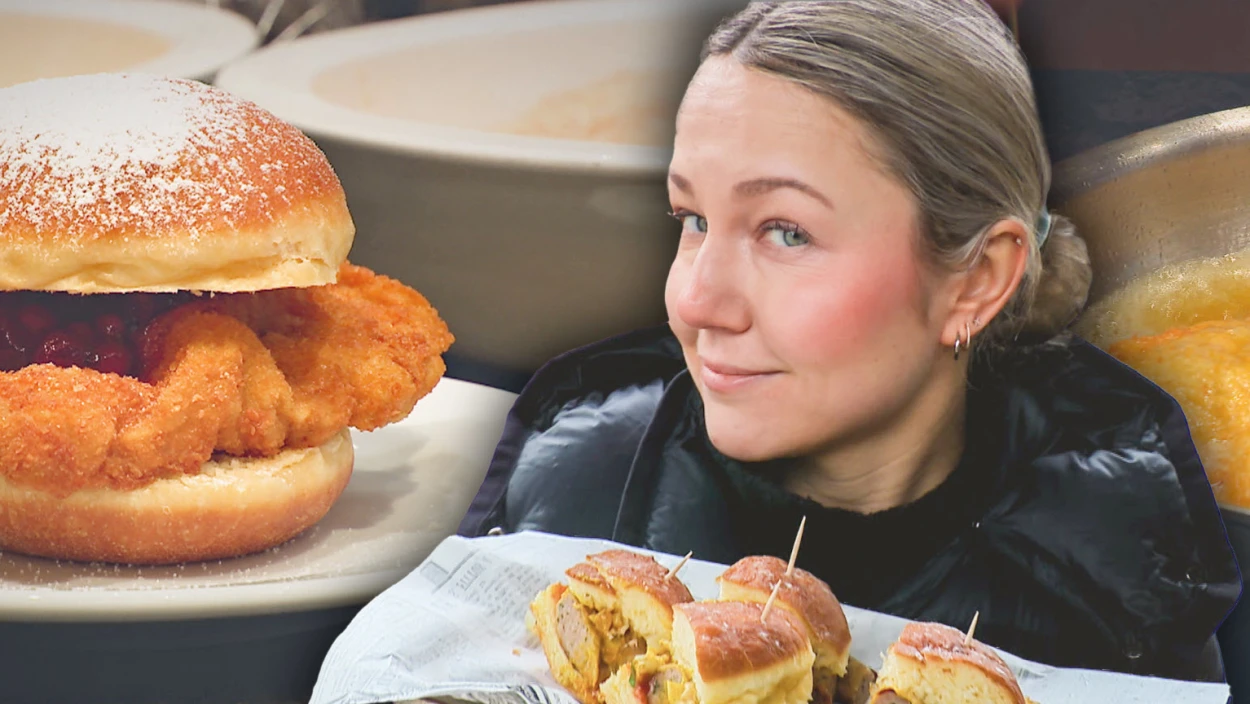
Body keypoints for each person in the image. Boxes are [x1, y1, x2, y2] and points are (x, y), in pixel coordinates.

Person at [458, 0, 1240, 682]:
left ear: (976, 279)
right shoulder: (571, 496)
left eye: (786, 232)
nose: (695, 301)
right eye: (693, 220)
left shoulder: (1115, 587)